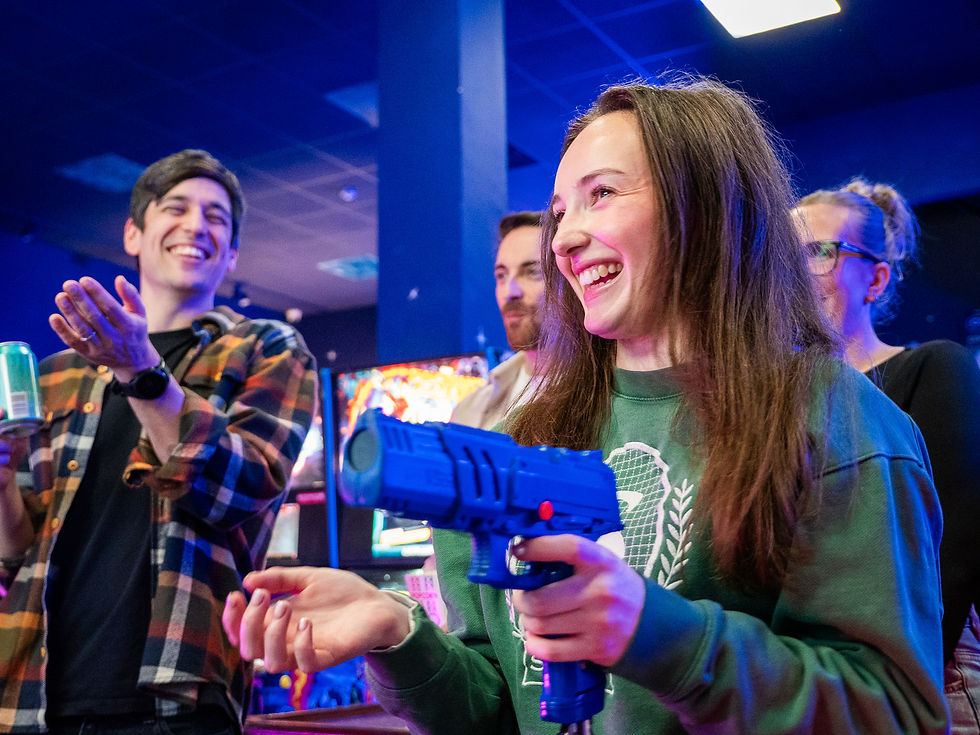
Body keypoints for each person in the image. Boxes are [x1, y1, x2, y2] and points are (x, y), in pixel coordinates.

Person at [222, 79, 949, 734]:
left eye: (602, 194)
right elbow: (497, 708)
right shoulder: (516, 447)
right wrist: (396, 634)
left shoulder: (836, 419)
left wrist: (658, 635)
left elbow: (896, 710)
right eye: (560, 210)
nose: (564, 238)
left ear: (707, 204)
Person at [0, 150, 317, 734]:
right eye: (177, 208)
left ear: (233, 253)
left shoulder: (267, 348)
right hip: (32, 697)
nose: (197, 225)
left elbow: (241, 491)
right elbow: (13, 554)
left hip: (177, 696)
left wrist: (141, 370)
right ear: (133, 232)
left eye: (216, 217)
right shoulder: (55, 376)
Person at [794, 179, 980, 733]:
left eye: (821, 253)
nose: (797, 272)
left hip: (926, 677)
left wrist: (892, 693)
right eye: (784, 255)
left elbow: (954, 553)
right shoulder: (774, 403)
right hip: (817, 675)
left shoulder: (932, 369)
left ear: (875, 278)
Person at [451, 211, 543, 430]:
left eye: (532, 272)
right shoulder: (470, 412)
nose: (510, 292)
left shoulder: (613, 393)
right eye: (502, 276)